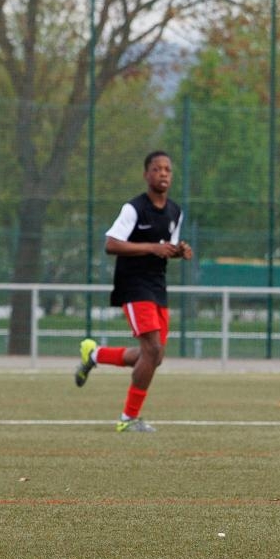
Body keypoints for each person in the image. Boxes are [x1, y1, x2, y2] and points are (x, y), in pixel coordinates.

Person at [75, 150, 192, 433]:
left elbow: (166, 248)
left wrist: (179, 251)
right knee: (152, 350)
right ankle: (127, 419)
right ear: (146, 174)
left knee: (154, 356)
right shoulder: (134, 209)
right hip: (133, 285)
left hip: (157, 285)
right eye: (157, 169)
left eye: (167, 169)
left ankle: (95, 355)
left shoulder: (175, 211)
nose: (163, 173)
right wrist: (152, 247)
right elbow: (111, 244)